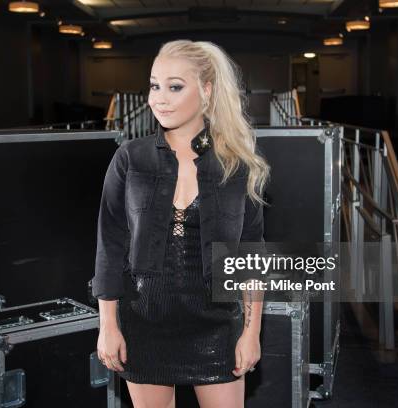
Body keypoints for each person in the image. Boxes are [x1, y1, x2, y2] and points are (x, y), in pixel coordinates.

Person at [92, 39, 271, 408]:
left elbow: (253, 257)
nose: (160, 97)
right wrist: (108, 326)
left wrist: (251, 333)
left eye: (175, 86)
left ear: (206, 91)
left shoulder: (237, 167)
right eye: (155, 85)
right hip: (144, 324)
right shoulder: (129, 159)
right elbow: (110, 247)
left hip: (216, 326)